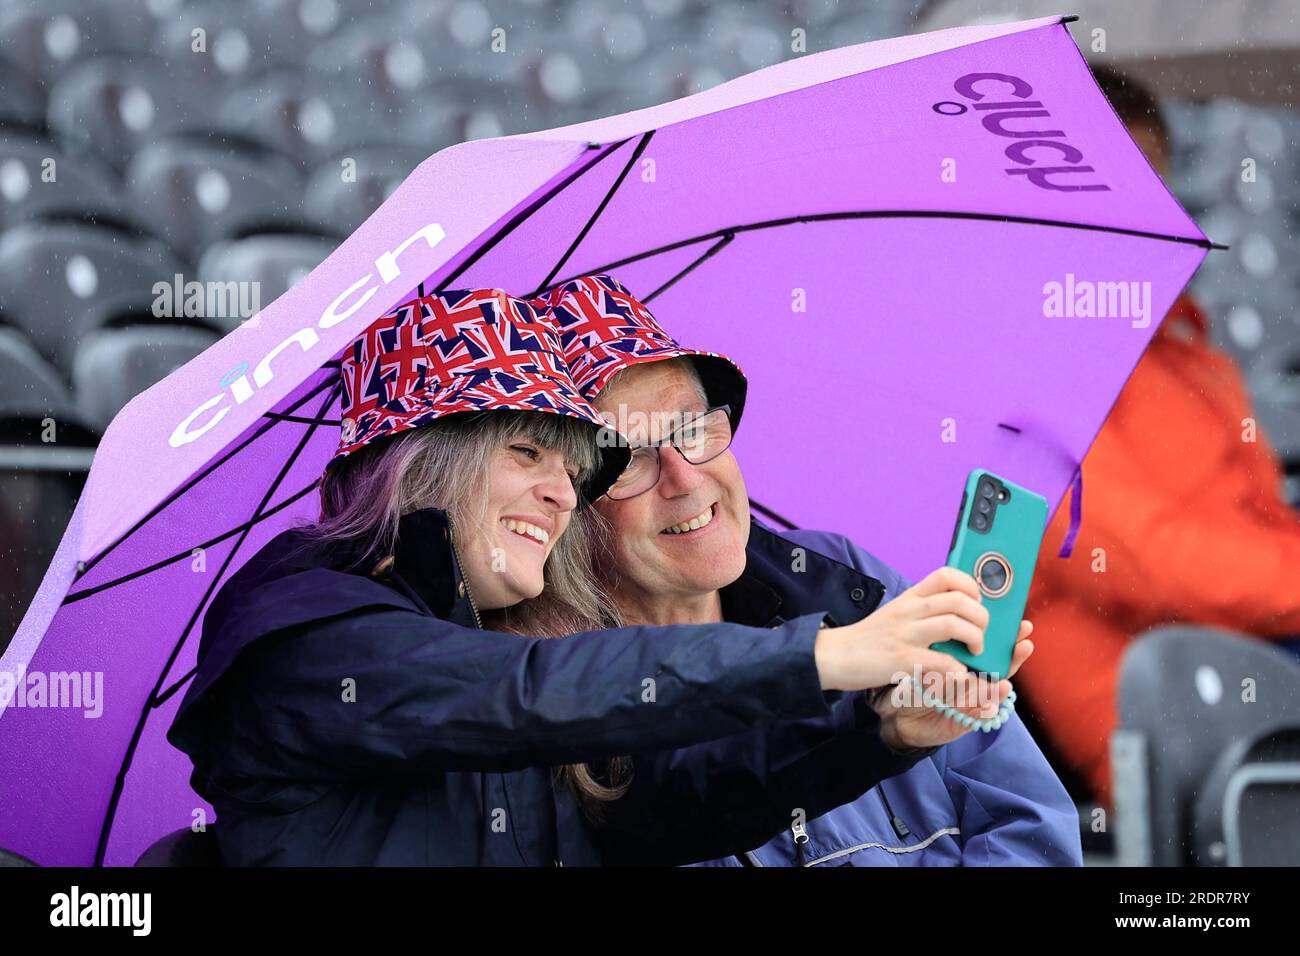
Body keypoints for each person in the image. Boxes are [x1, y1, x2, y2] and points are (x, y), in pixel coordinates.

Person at [166, 285, 1000, 866]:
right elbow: (525, 689)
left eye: (573, 466)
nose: (563, 492)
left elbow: (659, 808)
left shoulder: (481, 638)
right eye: (527, 451)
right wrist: (829, 657)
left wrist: (876, 731)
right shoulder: (309, 630)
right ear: (424, 466)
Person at [537, 272, 1080, 866]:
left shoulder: (844, 578)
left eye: (692, 429)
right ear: (565, 503)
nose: (686, 476)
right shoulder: (567, 709)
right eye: (630, 458)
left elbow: (1030, 824)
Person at [1020, 66, 1300, 808]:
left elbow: (1255, 530)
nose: (1143, 218)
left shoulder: (1187, 352)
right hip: (1181, 719)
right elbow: (1149, 563)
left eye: (1155, 190)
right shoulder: (1021, 369)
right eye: (1109, 189)